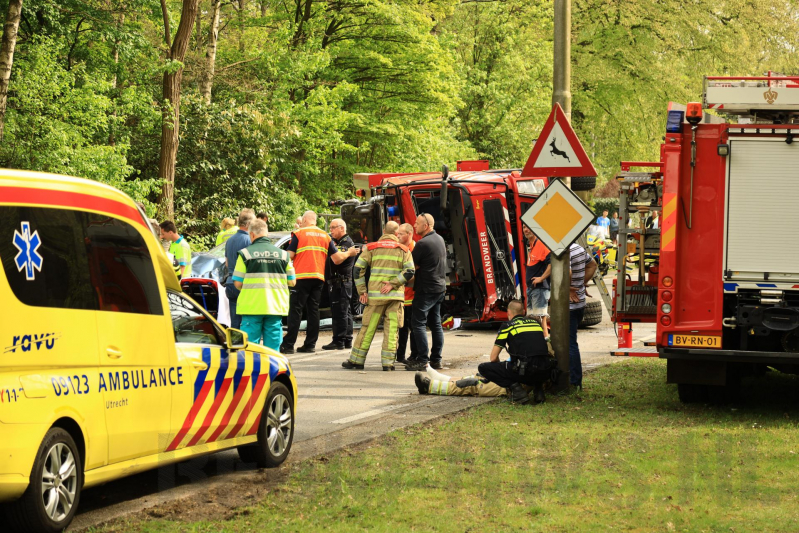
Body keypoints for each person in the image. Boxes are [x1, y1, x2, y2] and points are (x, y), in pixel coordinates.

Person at [342, 221, 414, 371]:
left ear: (383, 231)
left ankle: (356, 361)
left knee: (368, 328)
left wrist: (362, 291)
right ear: (396, 234)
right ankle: (388, 364)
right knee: (392, 329)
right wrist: (393, 284)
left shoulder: (371, 247)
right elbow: (409, 272)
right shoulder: (404, 250)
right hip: (395, 298)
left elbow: (357, 269)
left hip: (375, 298)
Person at [282, 211, 357, 354]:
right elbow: (336, 258)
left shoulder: (299, 233)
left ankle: (289, 344)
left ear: (304, 220)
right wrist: (349, 252)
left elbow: (289, 255)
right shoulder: (324, 235)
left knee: (296, 310)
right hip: (318, 278)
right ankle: (310, 344)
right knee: (313, 311)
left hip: (301, 276)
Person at [232, 219, 295, 351]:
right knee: (272, 350)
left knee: (250, 348)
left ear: (252, 235)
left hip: (251, 307)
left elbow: (237, 282)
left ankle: (253, 371)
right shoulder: (283, 255)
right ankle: (272, 371)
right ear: (267, 234)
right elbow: (292, 282)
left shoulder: (245, 254)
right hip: (275, 307)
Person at [476, 300, 554, 405]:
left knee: (483, 367)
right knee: (535, 359)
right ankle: (538, 390)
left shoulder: (507, 326)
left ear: (508, 312)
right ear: (524, 311)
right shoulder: (536, 323)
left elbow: (493, 358)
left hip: (524, 372)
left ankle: (518, 391)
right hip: (545, 371)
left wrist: (502, 370)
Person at [405, 213, 447, 372]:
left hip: (426, 289)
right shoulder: (439, 239)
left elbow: (410, 267)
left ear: (426, 225)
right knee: (436, 324)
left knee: (418, 324)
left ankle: (423, 360)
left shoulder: (422, 244)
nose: (414, 226)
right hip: (439, 288)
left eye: (417, 223)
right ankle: (436, 359)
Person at [322, 219, 357, 350]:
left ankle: (339, 340)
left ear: (341, 228)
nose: (330, 230)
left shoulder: (345, 243)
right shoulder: (341, 242)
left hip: (340, 282)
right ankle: (347, 339)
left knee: (339, 312)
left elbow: (337, 260)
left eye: (333, 228)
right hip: (341, 282)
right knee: (345, 312)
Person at [568, 242, 598, 389]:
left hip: (569, 305)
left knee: (569, 344)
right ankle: (573, 380)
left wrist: (568, 288)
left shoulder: (564, 250)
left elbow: (567, 272)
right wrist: (582, 282)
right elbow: (593, 264)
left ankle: (574, 382)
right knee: (571, 342)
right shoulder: (578, 248)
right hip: (580, 304)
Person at [224, 209, 255, 329]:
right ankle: (246, 346)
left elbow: (227, 263)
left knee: (235, 322)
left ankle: (235, 346)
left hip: (230, 283)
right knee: (247, 322)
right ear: (248, 224)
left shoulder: (230, 240)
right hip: (244, 284)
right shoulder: (249, 240)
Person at [395, 223, 418, 364]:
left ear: (409, 234)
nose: (398, 237)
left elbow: (414, 274)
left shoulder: (414, 249)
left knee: (413, 328)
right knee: (401, 328)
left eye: (400, 234)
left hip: (412, 296)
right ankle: (400, 355)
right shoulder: (400, 249)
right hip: (401, 295)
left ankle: (413, 355)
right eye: (397, 234)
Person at [523, 225, 551, 340]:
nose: (526, 230)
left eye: (528, 227)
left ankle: (546, 346)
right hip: (532, 288)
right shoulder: (532, 245)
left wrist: (541, 278)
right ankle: (535, 344)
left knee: (540, 319)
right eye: (524, 227)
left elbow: (552, 263)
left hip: (540, 288)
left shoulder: (541, 244)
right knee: (531, 320)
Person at [414, 366, 508, 398]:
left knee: (474, 384)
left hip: (513, 386)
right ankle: (444, 379)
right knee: (479, 377)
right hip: (514, 379)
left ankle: (429, 387)